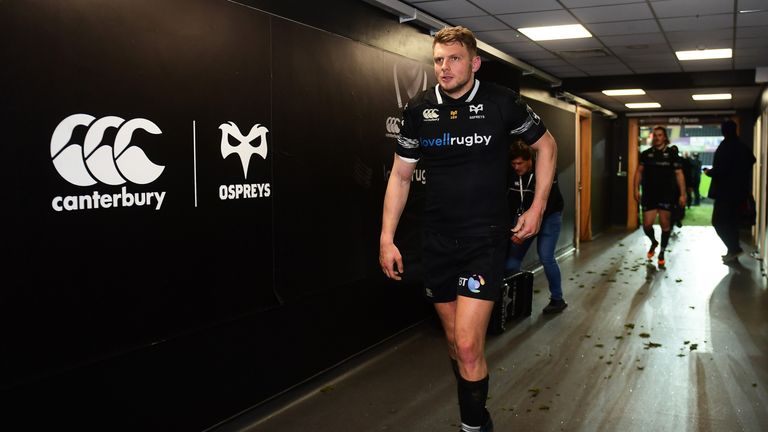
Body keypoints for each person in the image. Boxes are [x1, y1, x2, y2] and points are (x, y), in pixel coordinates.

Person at [379, 26, 557, 432]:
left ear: (474, 62)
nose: (444, 67)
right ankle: (477, 415)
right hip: (437, 240)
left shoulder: (500, 103)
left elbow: (546, 146)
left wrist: (537, 206)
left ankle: (472, 428)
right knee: (454, 344)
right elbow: (401, 177)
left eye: (454, 58)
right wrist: (387, 237)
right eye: (439, 60)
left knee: (467, 343)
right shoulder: (419, 110)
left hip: (485, 239)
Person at [505, 140, 566, 314]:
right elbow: (511, 203)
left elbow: (547, 205)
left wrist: (528, 229)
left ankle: (557, 299)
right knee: (511, 261)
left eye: (520, 163)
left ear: (530, 160)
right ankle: (512, 301)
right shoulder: (511, 174)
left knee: (546, 256)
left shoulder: (546, 171)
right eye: (513, 163)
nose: (516, 167)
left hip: (549, 215)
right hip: (523, 217)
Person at [703, 120, 756, 263]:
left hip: (725, 193)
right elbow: (752, 159)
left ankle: (734, 249)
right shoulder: (741, 146)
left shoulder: (726, 146)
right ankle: (732, 252)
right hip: (739, 192)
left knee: (718, 222)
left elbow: (722, 169)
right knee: (732, 223)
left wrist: (709, 172)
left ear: (724, 131)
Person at [633, 126, 686, 267]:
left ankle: (662, 252)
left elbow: (679, 174)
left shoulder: (673, 155)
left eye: (660, 135)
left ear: (665, 137)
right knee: (647, 225)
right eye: (655, 135)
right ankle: (654, 242)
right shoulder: (646, 154)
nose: (657, 137)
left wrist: (683, 193)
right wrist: (635, 189)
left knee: (665, 225)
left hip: (667, 195)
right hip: (649, 195)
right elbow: (639, 172)